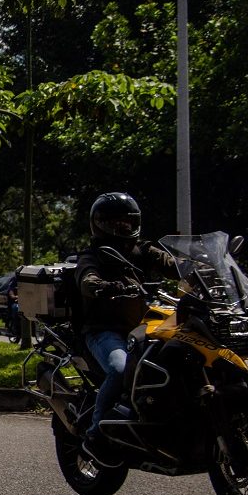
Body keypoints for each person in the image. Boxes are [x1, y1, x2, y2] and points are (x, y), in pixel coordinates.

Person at [75, 193, 179, 465]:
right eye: (113, 222)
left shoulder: (142, 250)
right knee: (120, 369)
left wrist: (200, 269)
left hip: (144, 328)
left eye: (127, 221)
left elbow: (173, 265)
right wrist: (101, 285)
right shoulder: (93, 255)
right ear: (99, 225)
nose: (121, 227)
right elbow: (86, 277)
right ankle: (96, 435)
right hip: (104, 331)